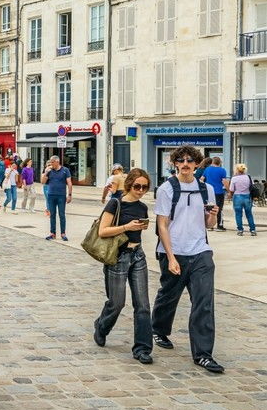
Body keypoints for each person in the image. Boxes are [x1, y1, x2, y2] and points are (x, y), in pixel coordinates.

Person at [151, 144, 224, 374]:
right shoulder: (166, 189)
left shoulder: (207, 190)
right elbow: (162, 224)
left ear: (196, 164)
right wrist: (171, 257)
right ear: (175, 163)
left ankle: (203, 354)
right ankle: (158, 330)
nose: (185, 164)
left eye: (189, 161)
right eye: (181, 160)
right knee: (169, 295)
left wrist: (213, 216)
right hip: (173, 251)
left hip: (200, 251)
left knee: (204, 302)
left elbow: (208, 225)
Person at [93, 168, 154, 364]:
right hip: (118, 257)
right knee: (117, 302)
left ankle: (142, 348)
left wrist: (141, 226)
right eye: (137, 186)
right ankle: (102, 326)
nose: (141, 190)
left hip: (138, 256)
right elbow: (103, 231)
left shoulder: (143, 207)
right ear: (129, 185)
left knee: (143, 305)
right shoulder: (115, 203)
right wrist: (127, 227)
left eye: (145, 187)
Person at [42, 155, 72, 241]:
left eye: (52, 162)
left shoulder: (65, 170)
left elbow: (69, 183)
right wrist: (46, 172)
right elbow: (43, 182)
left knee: (62, 214)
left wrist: (69, 195)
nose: (50, 164)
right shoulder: (50, 171)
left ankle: (63, 233)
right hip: (51, 195)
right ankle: (52, 233)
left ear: (57, 162)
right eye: (50, 162)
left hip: (61, 196)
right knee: (52, 215)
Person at [229, 163, 257, 236]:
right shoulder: (248, 177)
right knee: (249, 214)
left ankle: (240, 230)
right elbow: (252, 186)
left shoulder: (234, 178)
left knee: (238, 214)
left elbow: (231, 189)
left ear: (236, 170)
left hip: (237, 197)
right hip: (247, 197)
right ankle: (253, 230)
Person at [202, 157, 228, 231]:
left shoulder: (207, 169)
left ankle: (210, 225)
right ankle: (219, 226)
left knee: (209, 208)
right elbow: (224, 181)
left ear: (212, 162)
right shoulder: (222, 170)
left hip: (208, 192)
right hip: (219, 192)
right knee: (219, 209)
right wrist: (229, 191)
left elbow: (201, 179)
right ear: (219, 162)